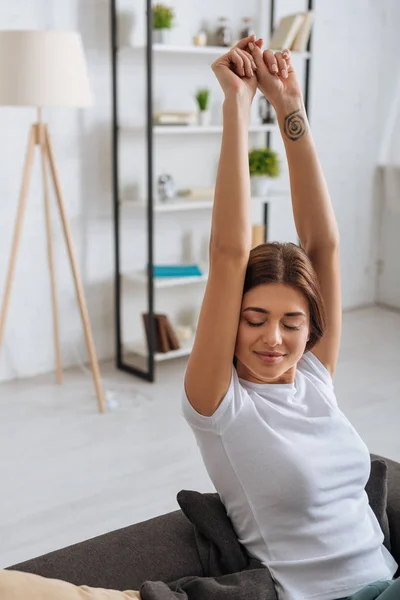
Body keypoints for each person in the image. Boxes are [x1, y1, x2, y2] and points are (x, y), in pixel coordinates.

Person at [182, 34, 399, 600]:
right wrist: (237, 104)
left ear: (312, 326)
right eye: (253, 318)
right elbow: (229, 254)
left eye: (291, 323)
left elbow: (323, 245)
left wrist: (289, 109)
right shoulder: (219, 405)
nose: (272, 339)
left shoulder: (314, 378)